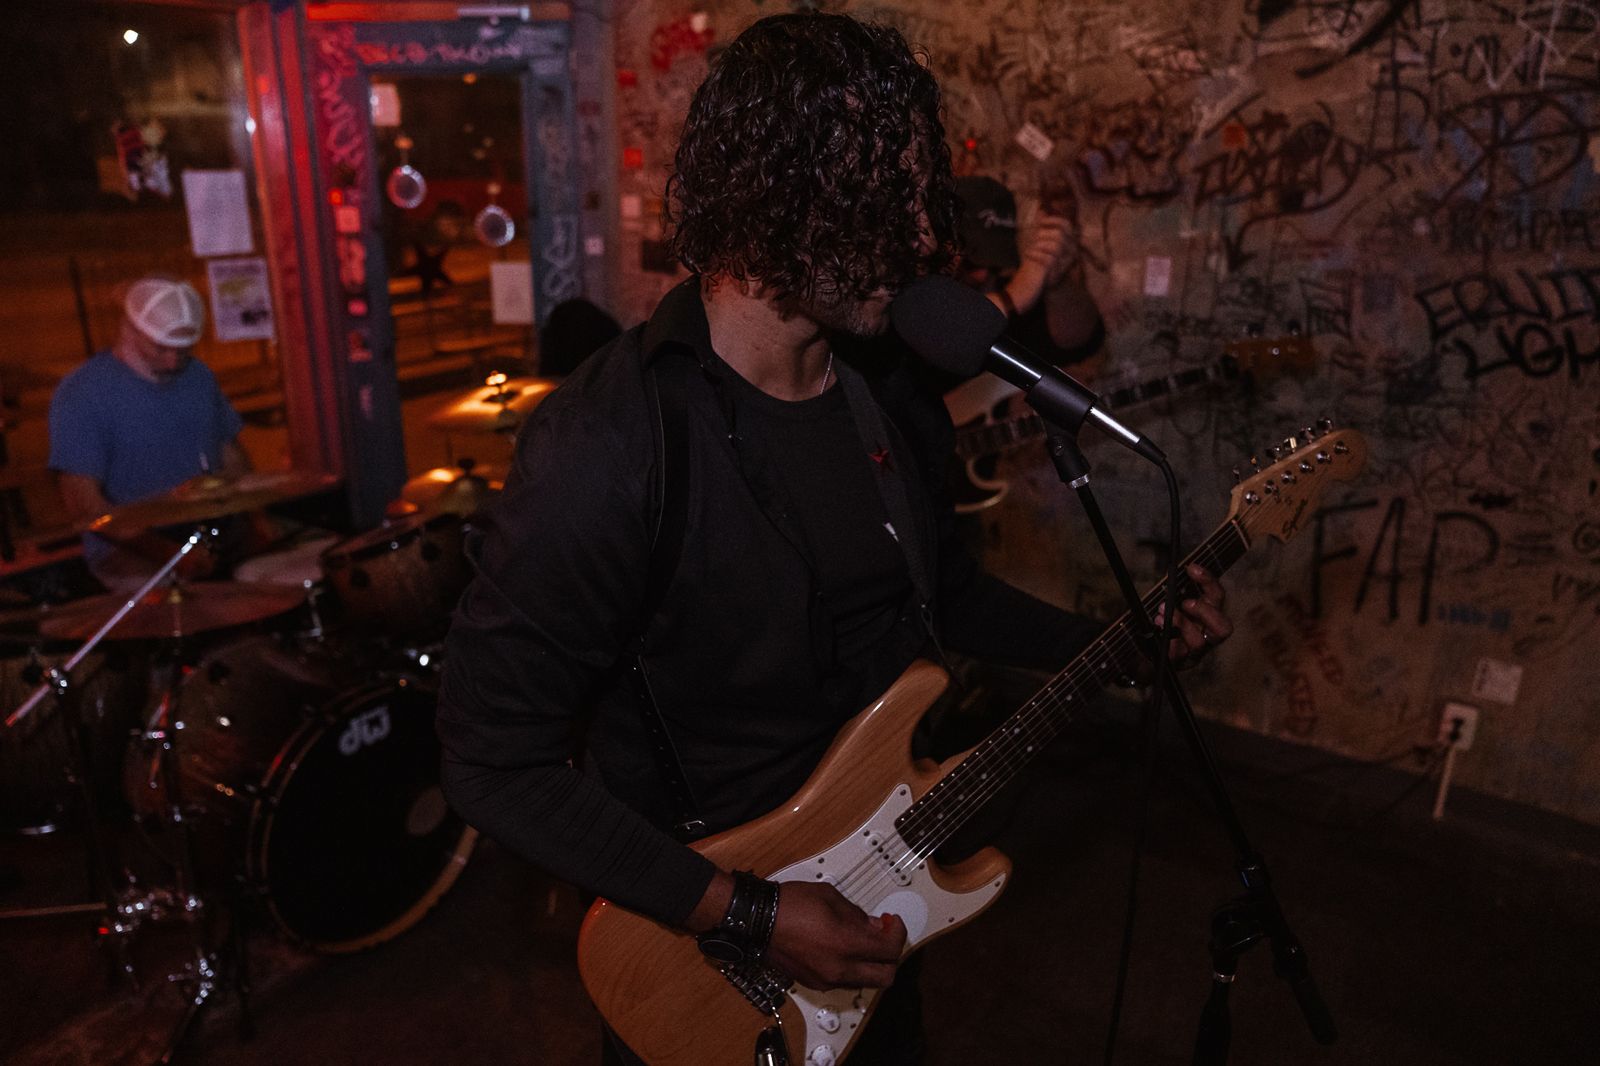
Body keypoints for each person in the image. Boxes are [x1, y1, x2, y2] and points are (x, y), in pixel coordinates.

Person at [435, 13, 1233, 1065]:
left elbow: (941, 592)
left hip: (876, 907)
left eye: (920, 197)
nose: (921, 237)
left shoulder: (883, 387)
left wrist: (1111, 640)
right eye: (881, 201)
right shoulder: (610, 444)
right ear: (767, 200)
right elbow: (493, 760)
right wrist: (750, 913)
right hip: (706, 953)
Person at [48, 275, 251, 590]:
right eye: (160, 349)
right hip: (129, 547)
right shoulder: (82, 393)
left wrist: (256, 516)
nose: (172, 362)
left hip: (208, 534)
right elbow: (84, 504)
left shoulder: (198, 376)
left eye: (183, 351)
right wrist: (168, 554)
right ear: (129, 330)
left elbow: (231, 455)